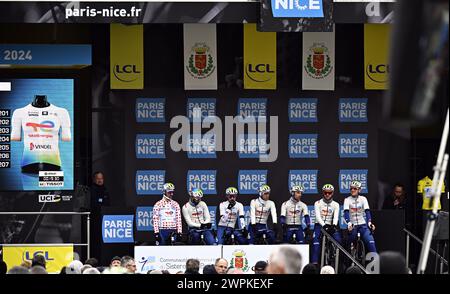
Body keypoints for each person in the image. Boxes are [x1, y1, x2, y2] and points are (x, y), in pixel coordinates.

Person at [311, 184, 342, 264]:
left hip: (331, 225)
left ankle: (336, 261)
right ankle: (315, 264)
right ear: (323, 193)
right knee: (315, 244)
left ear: (332, 193)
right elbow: (317, 216)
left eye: (329, 193)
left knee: (338, 240)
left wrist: (334, 225)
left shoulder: (336, 204)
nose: (327, 194)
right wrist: (324, 225)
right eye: (325, 193)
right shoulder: (317, 203)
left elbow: (336, 217)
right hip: (319, 225)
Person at [344, 180, 377, 254]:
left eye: (355, 188)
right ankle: (348, 262)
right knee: (348, 244)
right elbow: (346, 213)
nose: (352, 190)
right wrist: (349, 223)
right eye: (351, 188)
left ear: (359, 190)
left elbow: (367, 211)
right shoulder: (347, 200)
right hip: (353, 226)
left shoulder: (363, 199)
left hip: (363, 226)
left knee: (371, 242)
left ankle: (375, 264)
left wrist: (369, 223)